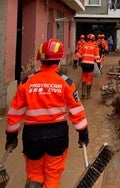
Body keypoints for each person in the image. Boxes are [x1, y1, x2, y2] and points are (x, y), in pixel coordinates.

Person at [5, 39, 89, 188]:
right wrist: (83, 133)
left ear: (40, 58)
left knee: (34, 174)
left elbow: (14, 113)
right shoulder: (66, 82)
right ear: (60, 58)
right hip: (58, 136)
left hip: (32, 136)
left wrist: (11, 136)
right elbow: (76, 111)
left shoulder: (26, 82)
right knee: (52, 176)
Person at [74, 33, 101, 99]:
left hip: (84, 65)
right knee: (89, 79)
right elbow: (97, 57)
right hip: (90, 66)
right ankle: (88, 95)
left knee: (83, 78)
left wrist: (75, 62)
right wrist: (98, 66)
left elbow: (77, 55)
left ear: (87, 39)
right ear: (93, 39)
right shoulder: (95, 47)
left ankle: (83, 94)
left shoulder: (83, 45)